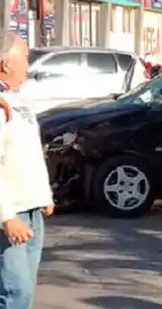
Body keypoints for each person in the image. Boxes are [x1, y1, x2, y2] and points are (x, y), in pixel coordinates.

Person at [0, 31, 55, 308]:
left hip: (32, 211)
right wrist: (7, 217)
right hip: (11, 215)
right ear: (5, 63)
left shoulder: (18, 98)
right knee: (15, 293)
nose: (28, 65)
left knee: (25, 292)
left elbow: (30, 152)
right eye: (24, 58)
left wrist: (44, 195)